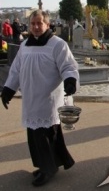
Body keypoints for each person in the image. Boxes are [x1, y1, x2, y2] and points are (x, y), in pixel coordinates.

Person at [0, 10, 79, 186]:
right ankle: (47, 164)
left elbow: (68, 66)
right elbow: (16, 70)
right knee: (34, 135)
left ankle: (47, 169)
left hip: (48, 99)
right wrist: (8, 90)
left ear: (47, 24)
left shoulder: (57, 44)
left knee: (45, 135)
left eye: (39, 23)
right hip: (30, 98)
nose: (36, 27)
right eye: (33, 24)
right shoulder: (25, 45)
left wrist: (70, 80)